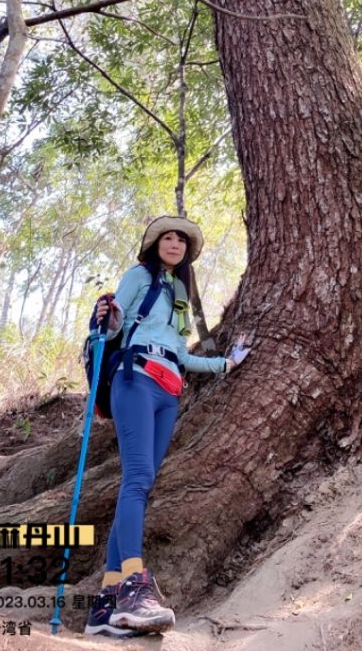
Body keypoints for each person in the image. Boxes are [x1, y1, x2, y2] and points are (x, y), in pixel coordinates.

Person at [84, 216, 250, 638]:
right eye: (168, 237)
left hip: (168, 390)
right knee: (138, 479)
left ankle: (105, 606)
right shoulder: (138, 276)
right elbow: (115, 325)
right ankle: (134, 588)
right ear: (155, 244)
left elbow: (181, 354)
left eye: (181, 240)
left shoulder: (180, 294)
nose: (175, 244)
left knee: (141, 484)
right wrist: (107, 316)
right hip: (135, 378)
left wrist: (226, 364)